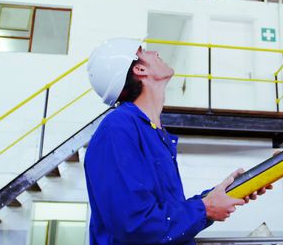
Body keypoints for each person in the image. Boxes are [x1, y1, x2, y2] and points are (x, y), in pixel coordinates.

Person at [84, 37, 272, 244]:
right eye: (144, 52)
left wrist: (226, 191)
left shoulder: (154, 132)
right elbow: (135, 225)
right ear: (139, 70)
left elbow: (167, 214)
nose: (154, 53)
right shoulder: (117, 128)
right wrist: (206, 208)